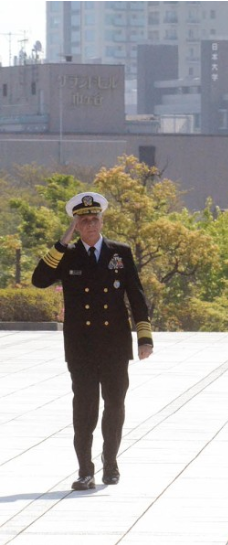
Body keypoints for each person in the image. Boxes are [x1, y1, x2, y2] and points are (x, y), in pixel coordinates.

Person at [32, 192, 154, 491]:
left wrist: (144, 337)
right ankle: (85, 470)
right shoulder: (67, 254)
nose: (90, 225)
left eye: (94, 219)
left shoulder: (119, 252)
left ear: (102, 221)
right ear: (76, 223)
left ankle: (110, 462)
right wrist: (62, 242)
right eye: (83, 220)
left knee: (114, 405)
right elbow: (39, 280)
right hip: (81, 346)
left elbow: (135, 295)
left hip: (114, 344)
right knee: (84, 408)